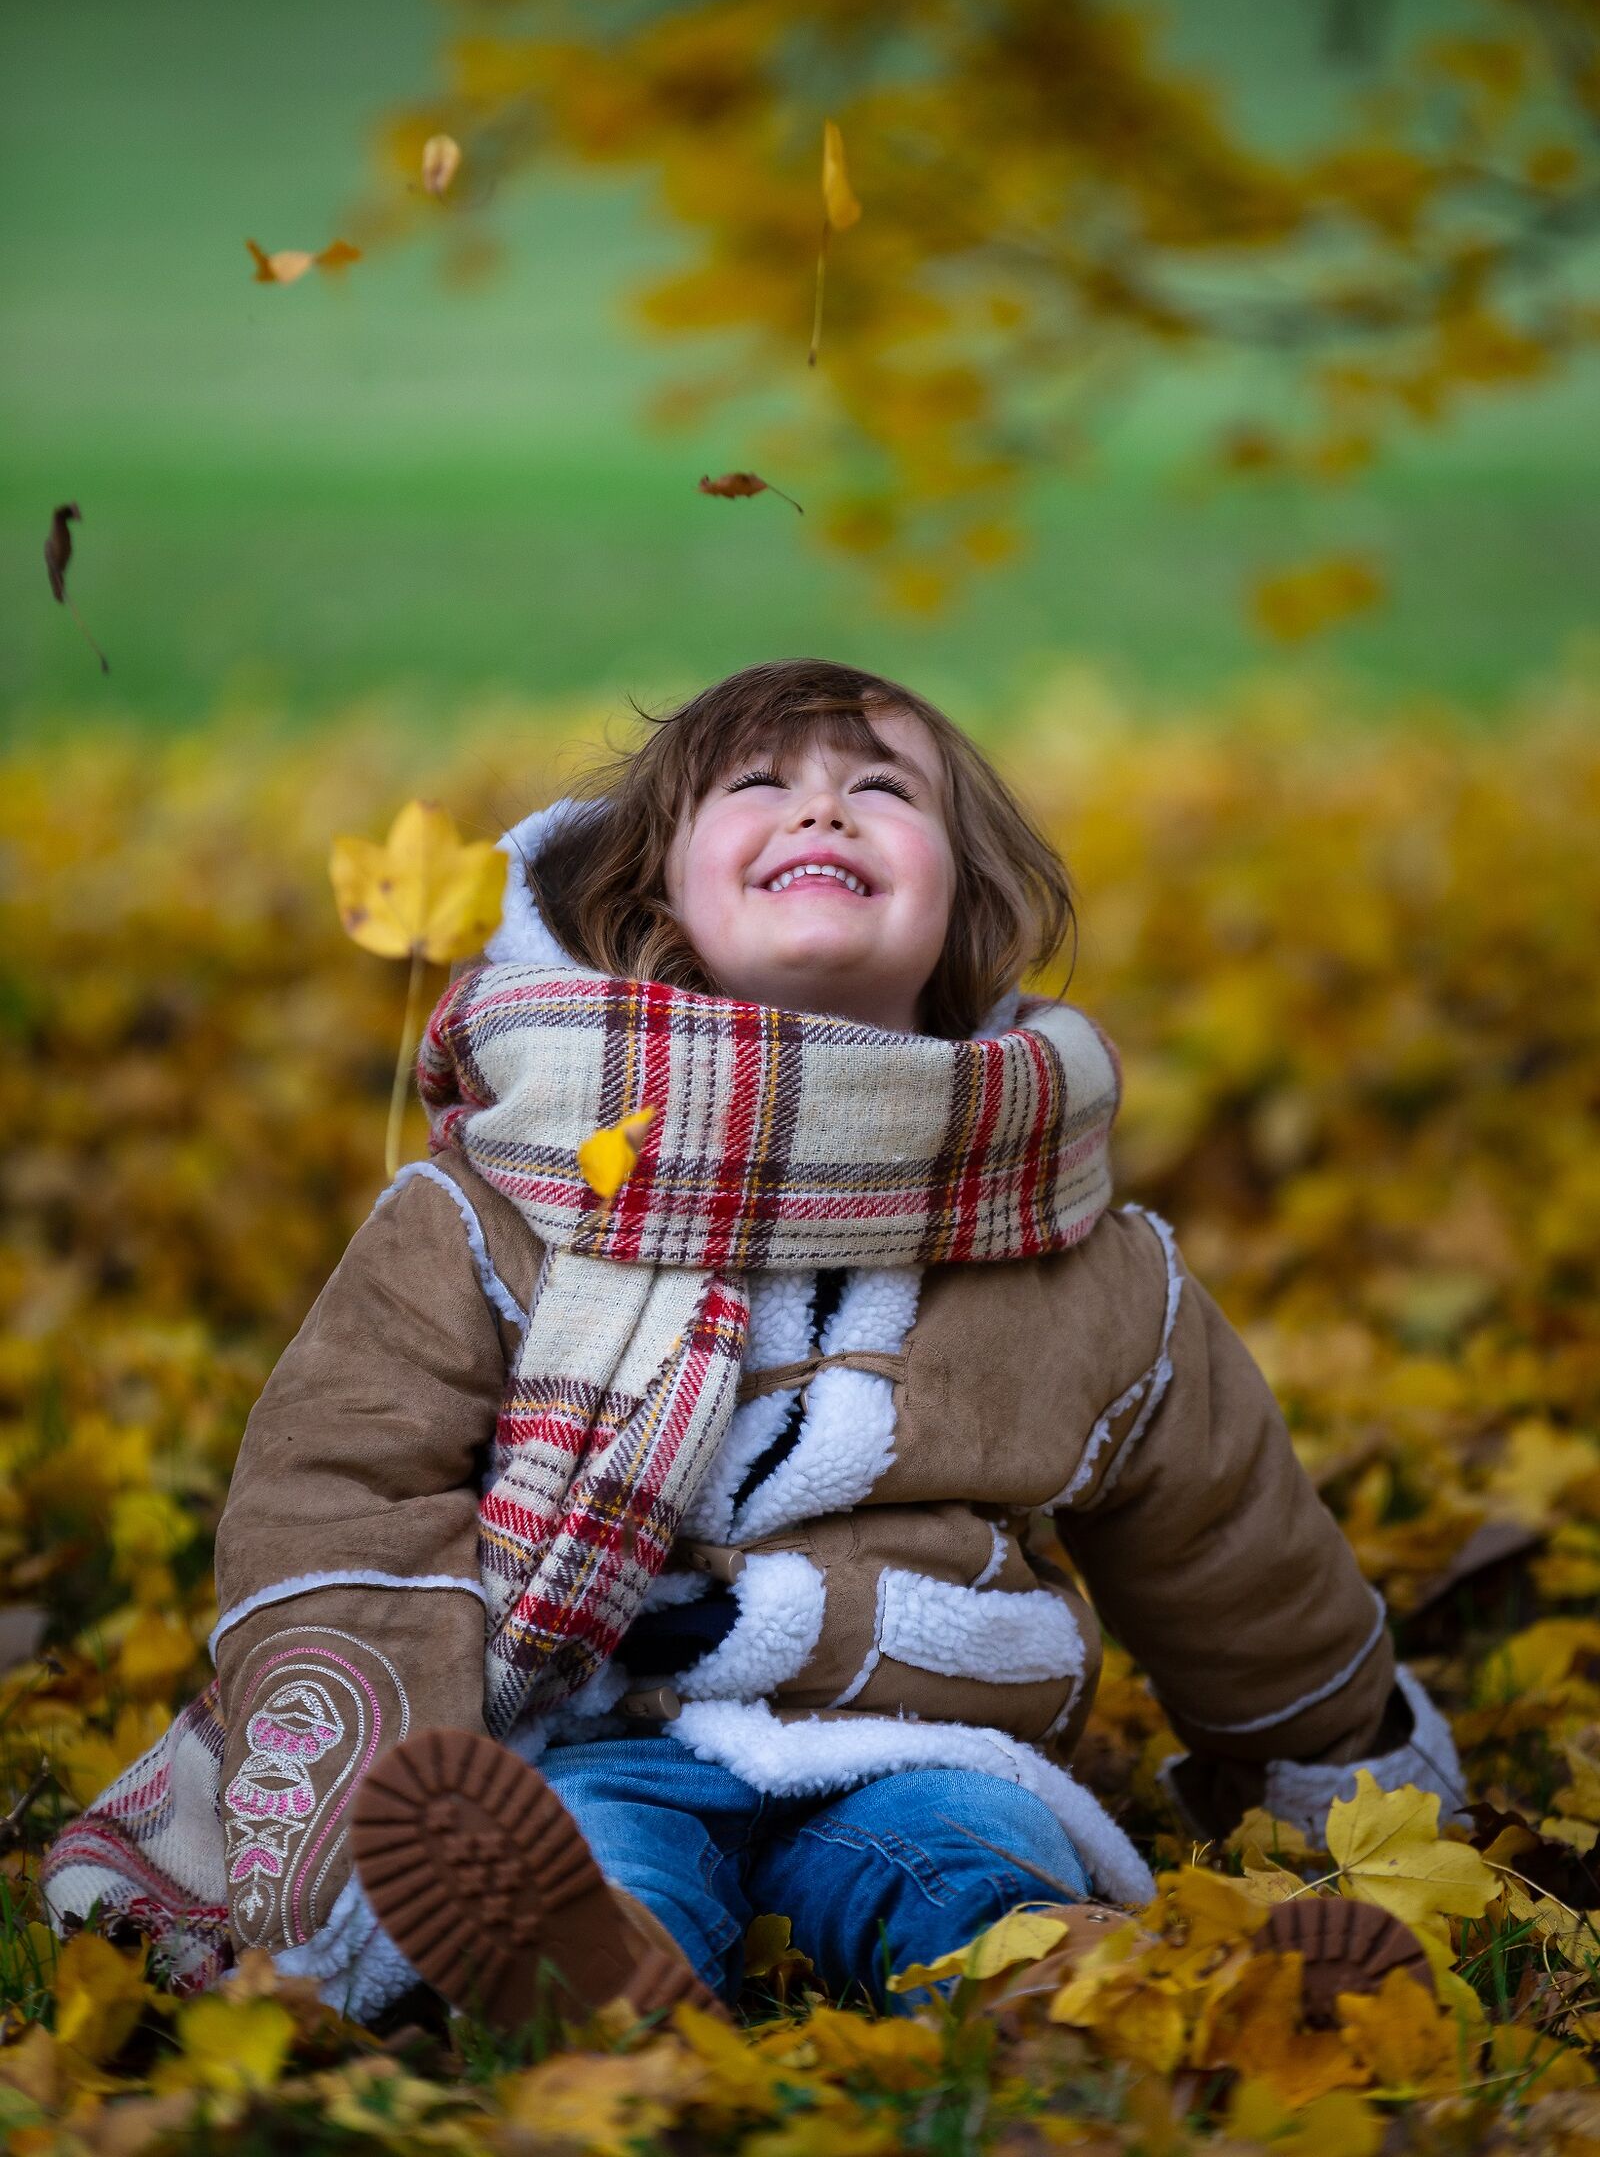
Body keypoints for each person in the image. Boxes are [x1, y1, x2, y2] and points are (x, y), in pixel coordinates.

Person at [44, 659, 1464, 2026]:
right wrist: (398, 1745)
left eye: (886, 789)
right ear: (652, 886)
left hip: (923, 1740)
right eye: (762, 782)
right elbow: (340, 1485)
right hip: (599, 1733)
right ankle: (598, 1996)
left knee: (970, 1874)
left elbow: (1229, 1544)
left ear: (965, 899)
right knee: (600, 1869)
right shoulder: (510, 1193)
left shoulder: (1074, 1250)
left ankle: (1103, 1997)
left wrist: (1337, 1768)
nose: (824, 809)